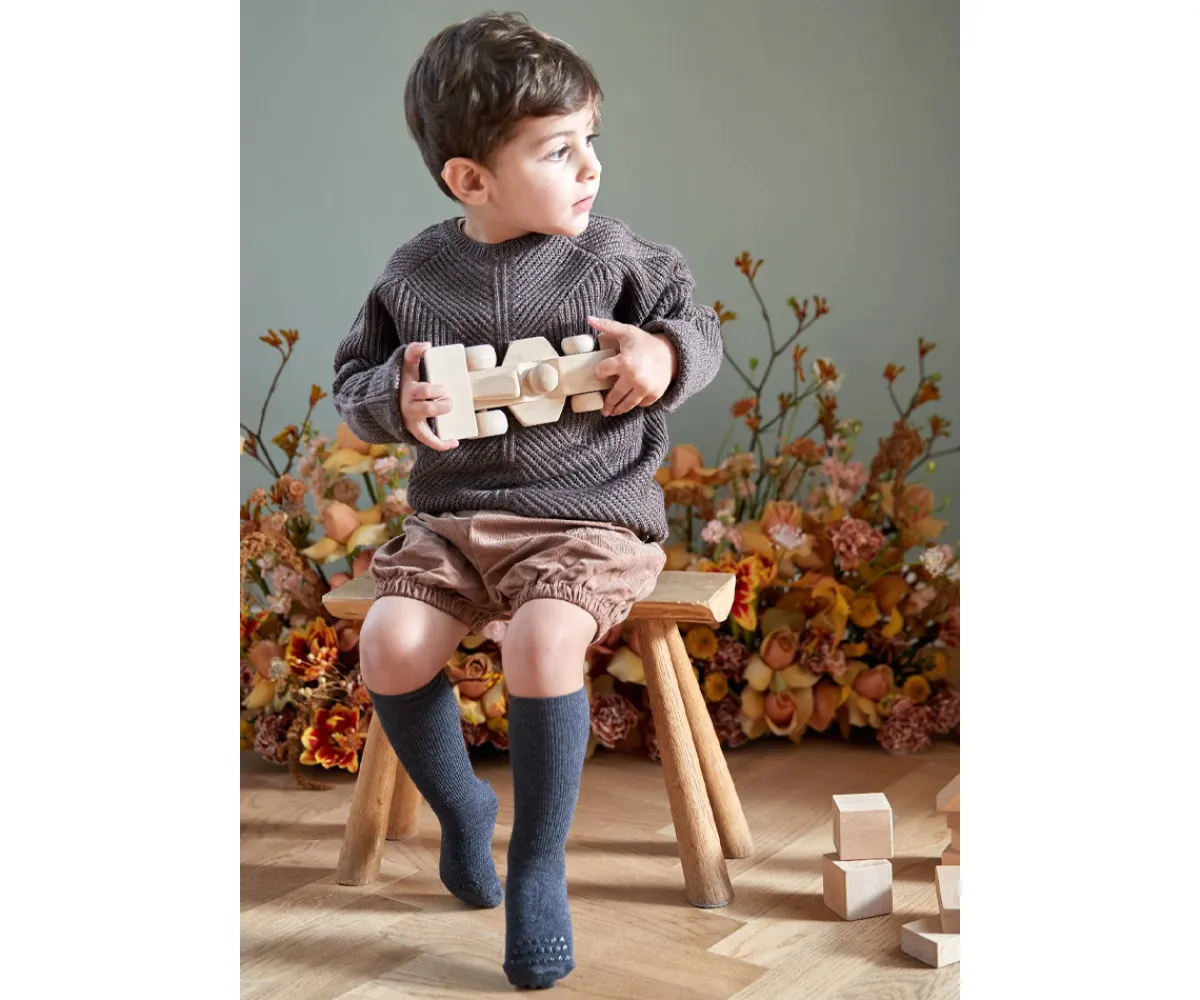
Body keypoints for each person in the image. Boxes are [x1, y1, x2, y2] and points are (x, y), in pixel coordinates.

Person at [331, 11, 722, 990]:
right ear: (471, 180)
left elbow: (697, 327)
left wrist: (663, 354)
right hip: (455, 523)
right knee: (389, 642)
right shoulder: (416, 277)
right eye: (558, 150)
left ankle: (538, 865)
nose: (591, 166)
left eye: (591, 139)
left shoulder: (617, 259)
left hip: (590, 520)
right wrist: (393, 401)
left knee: (543, 642)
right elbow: (356, 381)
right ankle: (463, 808)